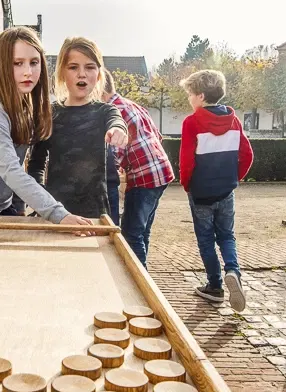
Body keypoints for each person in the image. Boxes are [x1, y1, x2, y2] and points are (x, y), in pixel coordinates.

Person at [0, 26, 95, 256]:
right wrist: (59, 214)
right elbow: (11, 171)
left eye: (34, 62)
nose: (28, 72)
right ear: (2, 65)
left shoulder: (25, 101)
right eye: (17, 63)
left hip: (1, 206)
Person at [26, 37, 128, 218]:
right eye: (73, 67)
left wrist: (119, 130)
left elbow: (117, 121)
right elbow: (36, 165)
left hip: (95, 215)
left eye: (89, 67)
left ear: (98, 75)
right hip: (56, 214)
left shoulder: (105, 111)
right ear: (62, 73)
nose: (82, 74)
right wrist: (41, 202)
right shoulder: (49, 114)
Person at [179, 68, 254, 312]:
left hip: (201, 193)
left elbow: (187, 160)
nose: (189, 99)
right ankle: (233, 270)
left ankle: (215, 286)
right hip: (225, 191)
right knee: (227, 236)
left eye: (190, 94)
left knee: (205, 240)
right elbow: (247, 155)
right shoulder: (234, 121)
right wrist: (234, 178)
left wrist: (187, 184)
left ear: (200, 96)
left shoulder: (191, 122)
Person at [101, 70, 174, 264]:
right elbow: (157, 136)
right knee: (142, 232)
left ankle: (141, 284)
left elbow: (114, 156)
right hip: (161, 171)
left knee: (131, 235)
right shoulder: (132, 104)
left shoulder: (113, 111)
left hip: (144, 177)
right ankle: (144, 273)